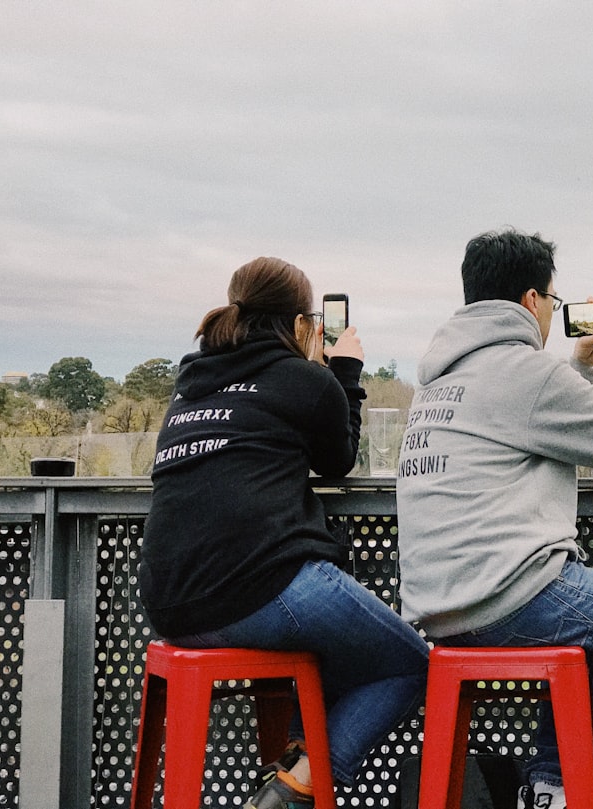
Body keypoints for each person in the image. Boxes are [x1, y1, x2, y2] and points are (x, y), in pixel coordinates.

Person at [395, 230, 593, 809]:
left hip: (440, 609)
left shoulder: (439, 379)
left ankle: (550, 790)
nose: (550, 309)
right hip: (510, 597)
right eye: (551, 298)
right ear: (529, 302)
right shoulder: (526, 373)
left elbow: (531, 424)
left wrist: (578, 368)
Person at [140, 257, 429, 809]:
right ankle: (298, 786)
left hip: (170, 606)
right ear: (303, 324)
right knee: (408, 662)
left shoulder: (189, 385)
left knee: (326, 650)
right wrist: (341, 373)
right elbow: (339, 458)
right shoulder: (302, 378)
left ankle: (299, 756)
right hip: (262, 587)